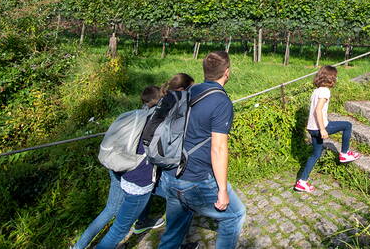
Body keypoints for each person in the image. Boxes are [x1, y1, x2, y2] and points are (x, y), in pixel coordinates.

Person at [157, 51, 246, 249]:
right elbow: (218, 148)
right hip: (196, 179)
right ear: (227, 72)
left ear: (205, 71)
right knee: (235, 215)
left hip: (171, 175)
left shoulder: (190, 91)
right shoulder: (221, 102)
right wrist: (222, 190)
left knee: (173, 232)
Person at [72, 85, 162, 249]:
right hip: (133, 173)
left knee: (110, 210)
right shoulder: (152, 122)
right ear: (159, 101)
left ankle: (78, 246)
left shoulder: (132, 116)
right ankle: (140, 223)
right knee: (119, 225)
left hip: (116, 164)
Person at [131, 73, 196, 234]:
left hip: (150, 154)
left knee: (153, 187)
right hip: (164, 155)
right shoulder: (177, 101)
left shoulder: (164, 101)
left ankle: (143, 220)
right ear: (182, 89)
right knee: (176, 199)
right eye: (191, 88)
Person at [294, 65, 361, 193]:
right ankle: (344, 154)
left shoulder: (316, 91)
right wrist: (323, 129)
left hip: (311, 128)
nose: (335, 79)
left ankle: (302, 182)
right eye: (334, 76)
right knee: (347, 125)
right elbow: (318, 110)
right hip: (320, 127)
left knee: (315, 154)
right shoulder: (325, 91)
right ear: (330, 78)